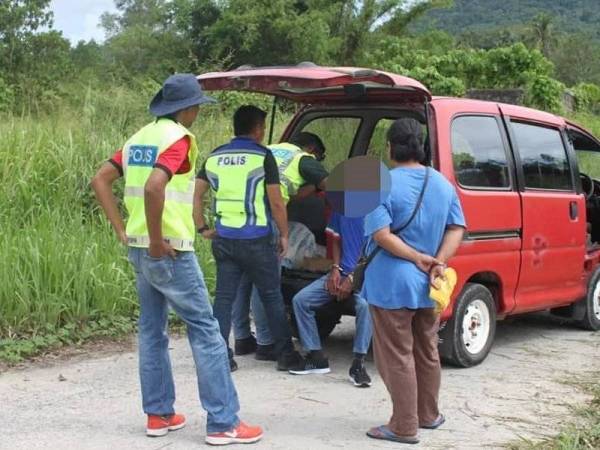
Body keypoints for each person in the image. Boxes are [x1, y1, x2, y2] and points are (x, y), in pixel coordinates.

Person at [90, 74, 262, 445]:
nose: (198, 111)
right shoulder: (178, 140)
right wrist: (155, 240)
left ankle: (159, 414)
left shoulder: (139, 138)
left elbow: (100, 180)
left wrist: (124, 231)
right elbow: (155, 186)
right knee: (207, 332)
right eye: (197, 105)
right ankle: (223, 423)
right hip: (168, 249)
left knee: (152, 332)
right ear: (186, 109)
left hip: (139, 247)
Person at [361, 118, 465, 444]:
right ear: (420, 148)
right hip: (431, 284)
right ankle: (428, 415)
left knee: (397, 355)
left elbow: (381, 235)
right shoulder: (443, 184)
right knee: (427, 350)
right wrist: (438, 261)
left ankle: (403, 426)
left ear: (390, 147)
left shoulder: (380, 184)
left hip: (392, 284)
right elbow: (456, 227)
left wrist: (415, 257)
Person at [194, 105, 303, 372]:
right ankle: (285, 355)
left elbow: (195, 194)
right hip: (256, 238)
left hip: (224, 238)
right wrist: (285, 235)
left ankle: (220, 356)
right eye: (263, 128)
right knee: (271, 296)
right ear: (257, 129)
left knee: (224, 298)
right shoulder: (262, 156)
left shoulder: (215, 156)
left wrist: (202, 228)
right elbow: (277, 202)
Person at [232, 132, 329, 362]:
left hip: (238, 218)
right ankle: (267, 343)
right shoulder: (302, 158)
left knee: (243, 280)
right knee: (264, 282)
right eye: (319, 156)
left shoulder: (267, 149)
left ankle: (242, 338)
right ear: (312, 148)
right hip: (266, 222)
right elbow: (330, 184)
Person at [287, 211, 373, 388]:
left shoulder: (378, 210)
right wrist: (335, 269)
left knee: (365, 306)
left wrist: (351, 278)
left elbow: (376, 252)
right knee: (301, 300)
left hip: (367, 277)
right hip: (341, 273)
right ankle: (315, 356)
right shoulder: (341, 209)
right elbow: (336, 240)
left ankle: (358, 363)